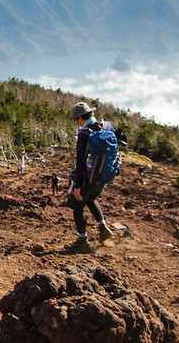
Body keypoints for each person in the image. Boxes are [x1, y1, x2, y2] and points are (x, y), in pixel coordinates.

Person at [67, 102, 114, 253]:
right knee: (92, 199)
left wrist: (78, 186)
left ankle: (82, 240)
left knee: (77, 205)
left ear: (80, 117)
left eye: (76, 119)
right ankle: (102, 226)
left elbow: (80, 161)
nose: (76, 122)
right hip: (103, 176)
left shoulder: (84, 133)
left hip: (88, 177)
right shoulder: (105, 127)